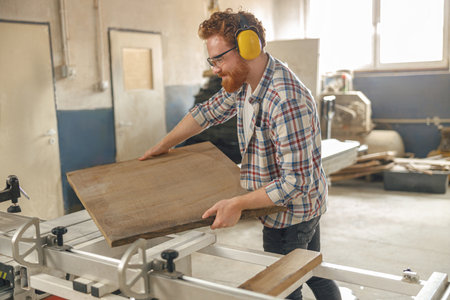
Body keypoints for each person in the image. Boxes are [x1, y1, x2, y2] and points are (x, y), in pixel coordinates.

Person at [139, 9, 341, 300]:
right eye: (212, 60)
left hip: (292, 212)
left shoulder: (285, 99)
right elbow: (207, 112)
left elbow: (295, 181)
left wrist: (238, 204)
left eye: (220, 58)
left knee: (284, 287)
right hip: (281, 205)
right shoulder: (246, 82)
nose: (215, 69)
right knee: (313, 273)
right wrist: (163, 144)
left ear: (250, 46)